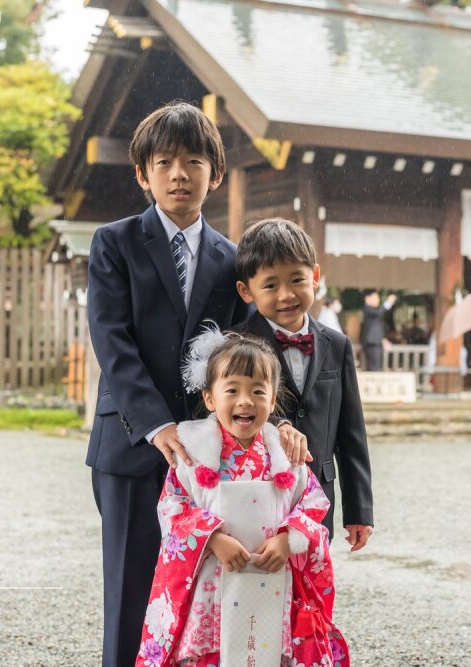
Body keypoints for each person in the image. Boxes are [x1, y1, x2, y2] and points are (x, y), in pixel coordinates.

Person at [85, 102, 307, 667]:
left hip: (215, 454)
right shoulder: (115, 244)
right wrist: (158, 424)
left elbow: (254, 356)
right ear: (142, 174)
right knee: (132, 590)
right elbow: (112, 341)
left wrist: (279, 425)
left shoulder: (232, 260)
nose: (178, 174)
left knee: (209, 592)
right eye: (163, 163)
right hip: (135, 444)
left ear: (217, 172)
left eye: (193, 161)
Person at [137, 332, 349, 666]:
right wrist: (212, 539)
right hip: (210, 580)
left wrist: (288, 539)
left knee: (265, 651)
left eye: (258, 391)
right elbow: (172, 505)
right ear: (209, 398)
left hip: (272, 578)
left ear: (274, 398)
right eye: (232, 390)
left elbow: (312, 502)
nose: (245, 400)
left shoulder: (284, 453)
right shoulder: (192, 451)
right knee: (210, 653)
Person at [234, 218, 374, 546]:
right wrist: (275, 424)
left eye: (297, 280)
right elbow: (229, 413)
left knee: (312, 586)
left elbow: (351, 433)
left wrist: (359, 510)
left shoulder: (337, 345)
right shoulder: (236, 344)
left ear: (314, 276)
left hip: (318, 495)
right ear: (246, 291)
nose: (286, 295)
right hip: (258, 493)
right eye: (270, 285)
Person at [361, 291, 396, 371]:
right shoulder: (368, 309)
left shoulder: (373, 311)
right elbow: (379, 312)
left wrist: (382, 339)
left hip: (375, 342)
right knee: (374, 368)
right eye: (375, 297)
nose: (378, 300)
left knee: (376, 366)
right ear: (367, 298)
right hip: (372, 343)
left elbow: (376, 328)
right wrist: (388, 302)